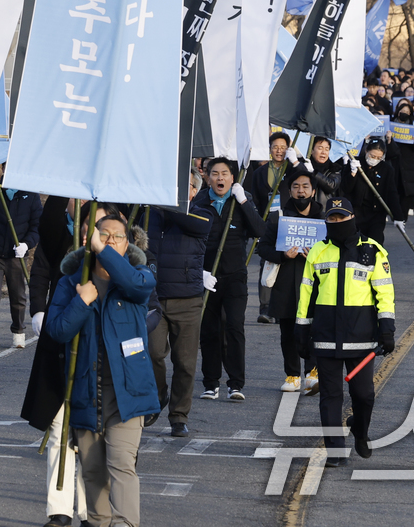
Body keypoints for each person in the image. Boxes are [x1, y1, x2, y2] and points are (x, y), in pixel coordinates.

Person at [46, 204, 157, 527]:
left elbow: (137, 287)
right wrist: (82, 301)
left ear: (128, 243)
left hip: (127, 393)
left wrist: (102, 251)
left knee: (121, 464)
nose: (110, 240)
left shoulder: (138, 277)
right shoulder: (71, 282)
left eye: (117, 237)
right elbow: (57, 330)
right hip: (85, 390)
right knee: (93, 471)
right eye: (103, 235)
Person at [295, 197, 395, 468]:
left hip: (361, 338)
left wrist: (387, 329)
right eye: (332, 218)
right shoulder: (317, 252)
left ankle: (359, 430)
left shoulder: (373, 251)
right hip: (325, 336)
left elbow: (385, 293)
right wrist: (301, 331)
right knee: (330, 396)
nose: (337, 222)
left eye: (341, 217)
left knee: (364, 395)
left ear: (352, 218)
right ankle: (335, 452)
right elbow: (306, 294)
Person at [22, 197, 87, 527]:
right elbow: (42, 266)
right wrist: (39, 309)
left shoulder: (121, 257)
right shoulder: (62, 239)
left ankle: (91, 512)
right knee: (60, 426)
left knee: (91, 438)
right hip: (62, 346)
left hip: (98, 360)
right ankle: (59, 510)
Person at [144, 175, 211, 437]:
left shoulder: (202, 213)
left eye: (183, 186)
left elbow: (195, 225)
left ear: (193, 191)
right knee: (152, 354)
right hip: (154, 298)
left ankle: (179, 415)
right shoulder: (149, 214)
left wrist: (168, 204)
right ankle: (158, 396)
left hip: (188, 300)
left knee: (184, 363)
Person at [195, 157, 264, 401]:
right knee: (209, 330)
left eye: (225, 173)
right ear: (207, 177)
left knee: (234, 327)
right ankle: (210, 382)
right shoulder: (199, 202)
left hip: (235, 276)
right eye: (215, 173)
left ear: (233, 178)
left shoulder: (241, 200)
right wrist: (200, 272)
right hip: (207, 277)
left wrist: (243, 201)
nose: (220, 178)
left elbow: (259, 231)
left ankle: (236, 384)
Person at [258, 172, 320, 392]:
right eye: (296, 186)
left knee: (314, 329)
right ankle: (292, 375)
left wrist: (317, 255)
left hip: (316, 284)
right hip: (286, 283)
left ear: (313, 191)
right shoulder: (279, 218)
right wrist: (283, 255)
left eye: (305, 186)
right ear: (290, 190)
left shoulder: (324, 218)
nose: (300, 191)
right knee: (288, 332)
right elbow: (262, 248)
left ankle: (312, 372)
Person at [0, 170, 42, 350]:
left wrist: (26, 244)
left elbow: (36, 226)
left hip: (17, 254)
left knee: (18, 294)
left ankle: (18, 330)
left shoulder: (30, 194)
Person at [244, 132, 293, 324]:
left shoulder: (293, 169)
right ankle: (265, 308)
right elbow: (255, 200)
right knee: (267, 263)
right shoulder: (260, 173)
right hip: (268, 223)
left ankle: (282, 308)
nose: (279, 151)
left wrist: (296, 162)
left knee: (286, 264)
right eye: (275, 147)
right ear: (269, 149)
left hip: (288, 223)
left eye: (283, 147)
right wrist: (257, 225)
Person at [352, 138, 402, 246]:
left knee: (375, 244)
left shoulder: (387, 169)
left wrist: (398, 216)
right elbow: (346, 188)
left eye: (379, 157)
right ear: (366, 151)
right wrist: (352, 174)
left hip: (376, 215)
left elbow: (392, 193)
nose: (374, 159)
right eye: (372, 156)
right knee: (356, 245)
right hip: (356, 213)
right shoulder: (355, 163)